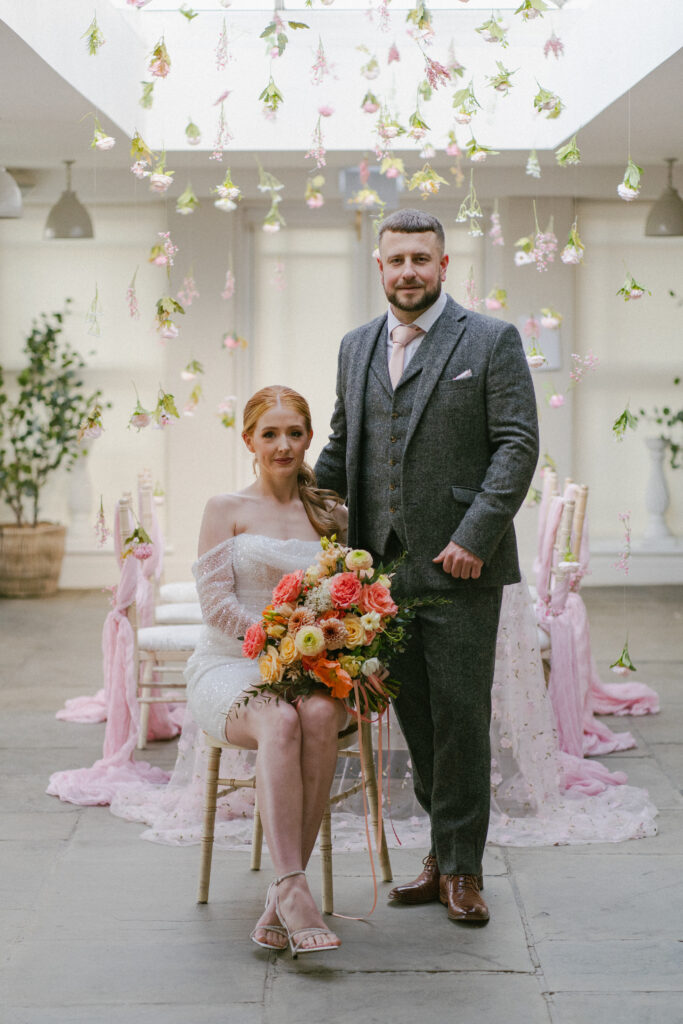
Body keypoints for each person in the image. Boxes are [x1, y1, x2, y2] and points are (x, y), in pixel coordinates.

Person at [314, 208, 540, 924]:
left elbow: (515, 445)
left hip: (460, 569)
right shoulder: (355, 346)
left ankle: (463, 871)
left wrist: (474, 534)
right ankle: (442, 858)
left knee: (461, 719)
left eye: (421, 258)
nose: (408, 270)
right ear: (378, 268)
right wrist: (279, 497)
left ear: (444, 266)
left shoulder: (490, 339)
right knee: (415, 721)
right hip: (379, 576)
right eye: (395, 259)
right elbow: (341, 447)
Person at [186, 385, 348, 956]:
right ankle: (295, 892)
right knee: (278, 722)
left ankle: (284, 894)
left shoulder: (330, 513)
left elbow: (340, 603)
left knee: (324, 711)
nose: (284, 446)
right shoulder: (224, 509)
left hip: (311, 666)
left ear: (309, 439)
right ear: (249, 440)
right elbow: (218, 608)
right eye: (271, 434)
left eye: (295, 433)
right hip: (232, 665)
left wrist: (329, 652)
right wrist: (283, 646)